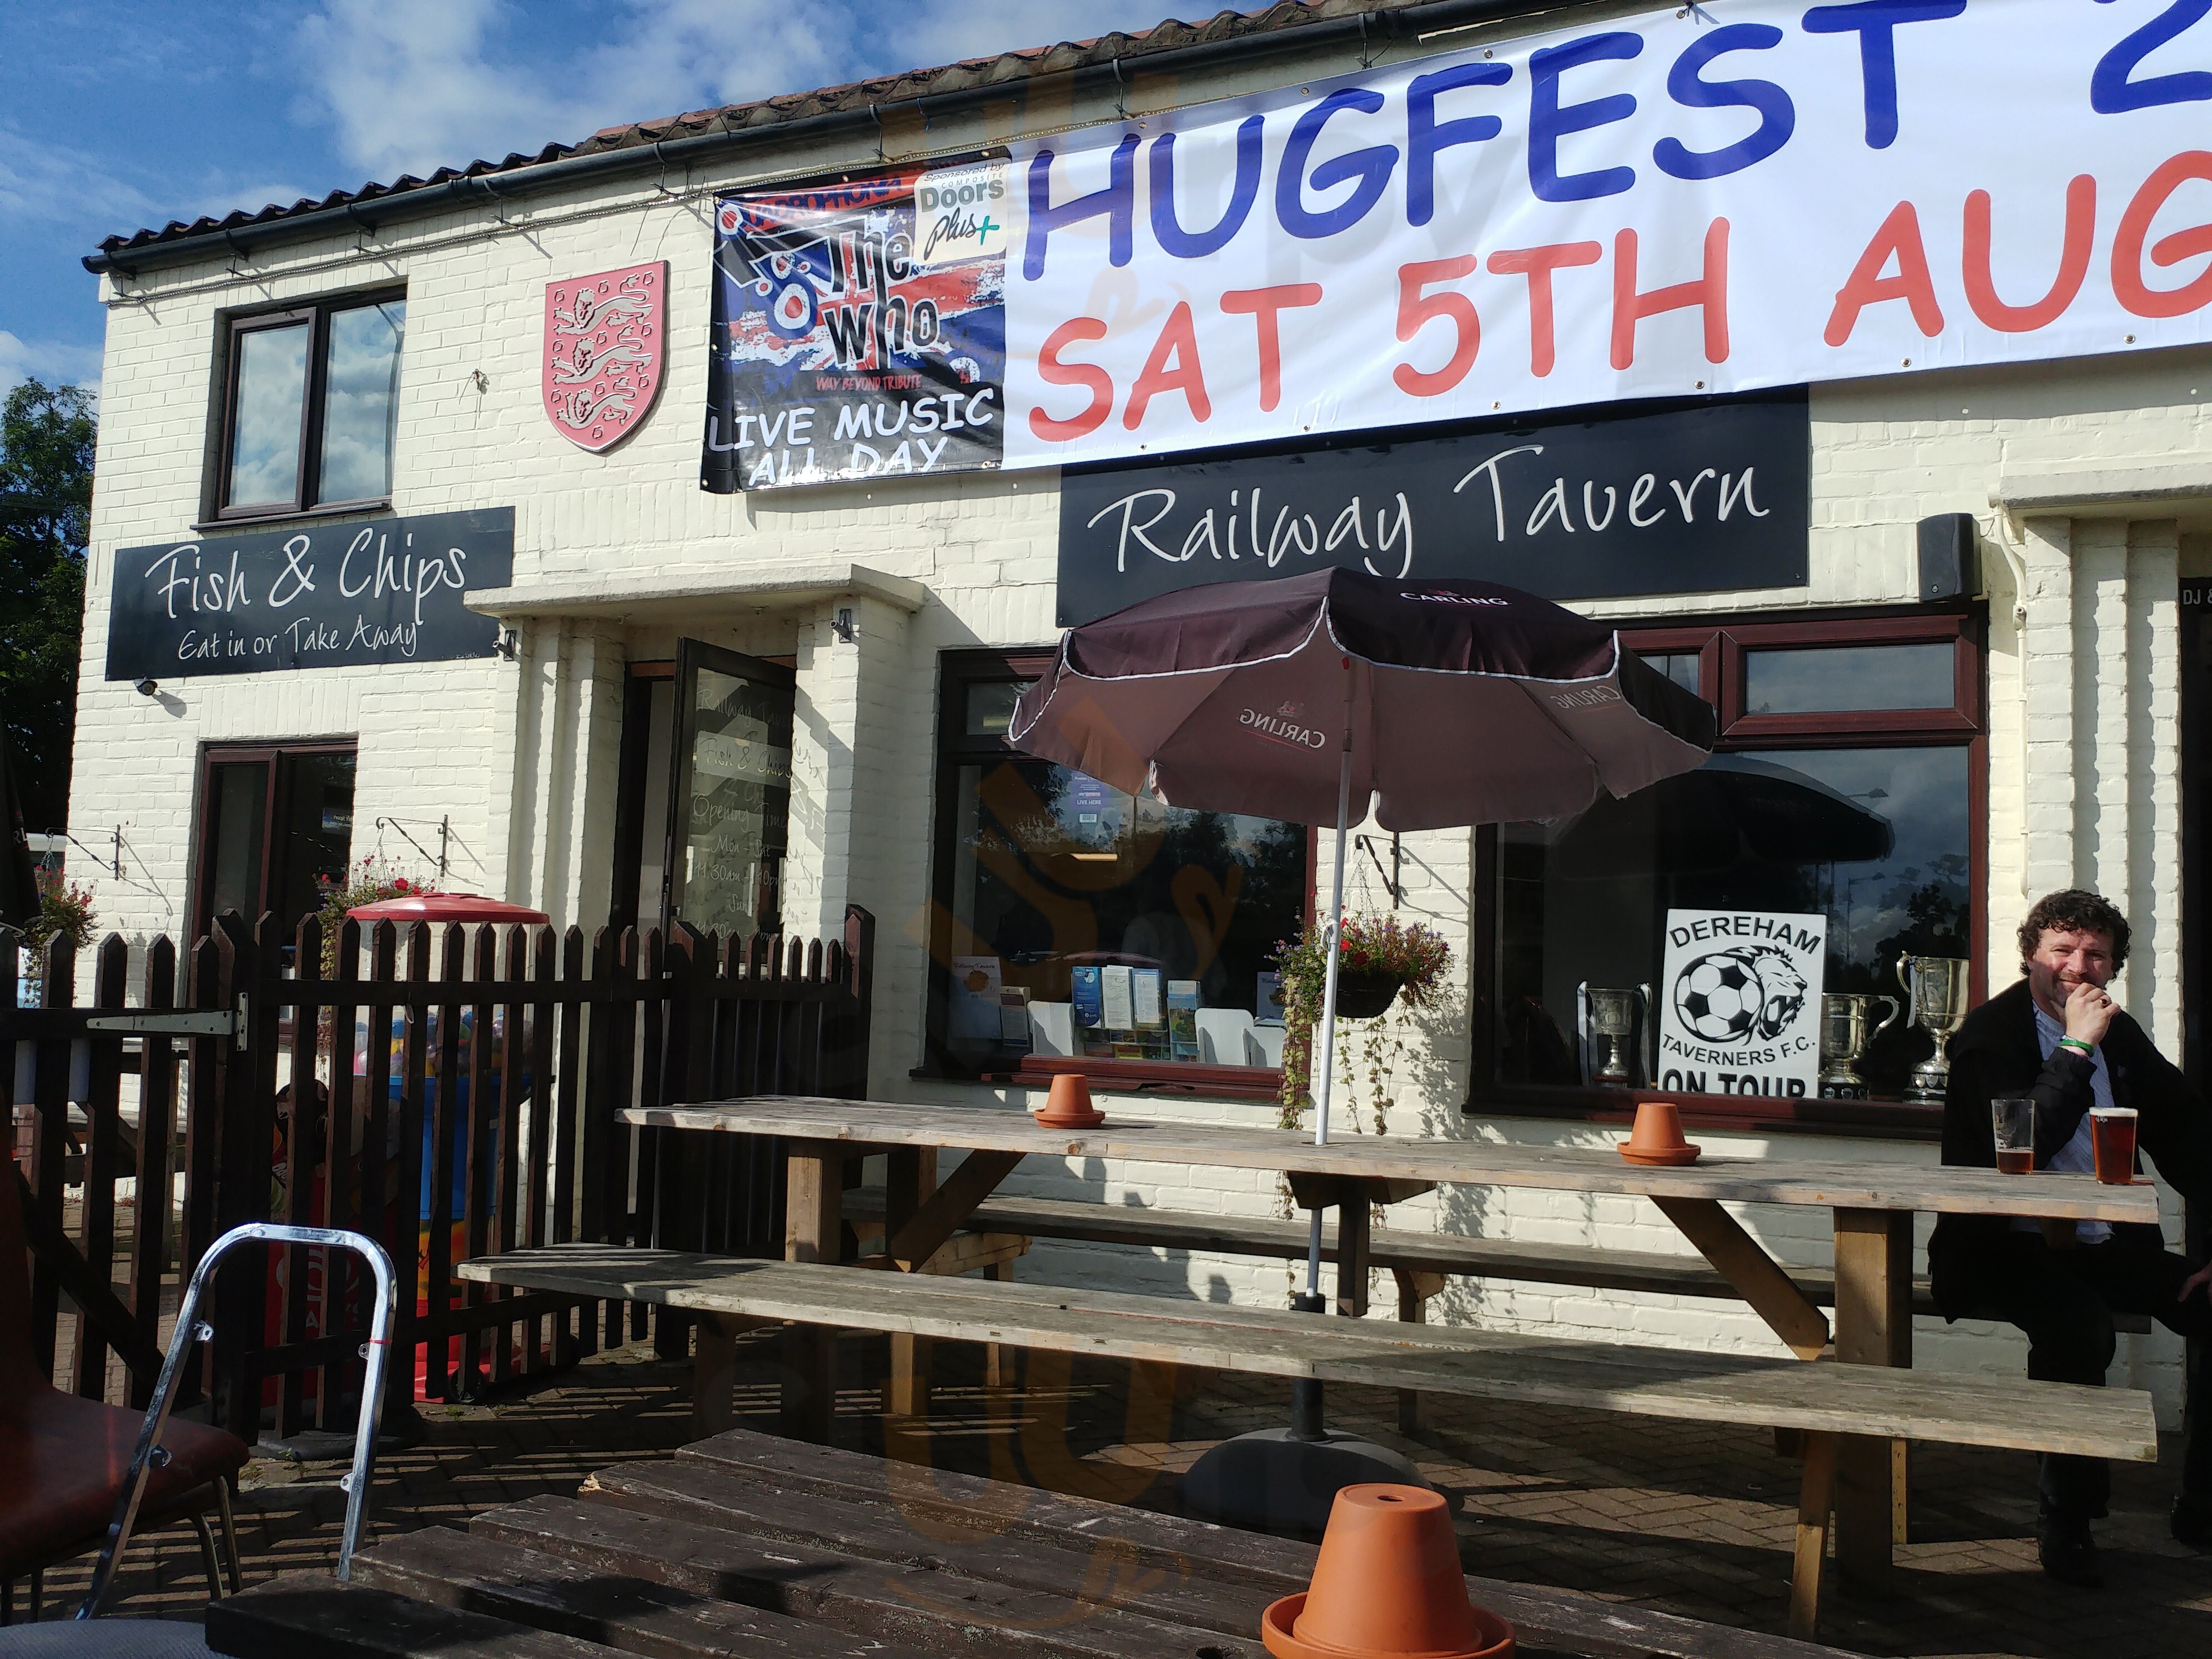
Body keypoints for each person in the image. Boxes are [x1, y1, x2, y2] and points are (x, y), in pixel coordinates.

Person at [1928, 889, 2212, 1585]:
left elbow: (2190, 1136)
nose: (2079, 967)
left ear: (2113, 968)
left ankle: (2203, 1505)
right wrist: (2078, 1047)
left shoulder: (2119, 1031)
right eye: (2063, 950)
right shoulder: (1989, 1037)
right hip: (2002, 1247)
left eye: (2096, 956)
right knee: (2080, 1328)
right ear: (2031, 955)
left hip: (2100, 1241)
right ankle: (2068, 1520)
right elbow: (2018, 1149)